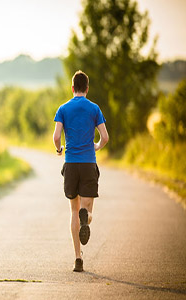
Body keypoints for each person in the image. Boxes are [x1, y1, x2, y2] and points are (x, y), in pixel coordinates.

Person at [53, 70, 109, 272]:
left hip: (70, 164)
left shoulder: (63, 108)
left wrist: (59, 149)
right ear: (87, 88)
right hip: (88, 164)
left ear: (72, 88)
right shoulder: (94, 108)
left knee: (73, 211)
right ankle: (88, 219)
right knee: (87, 211)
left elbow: (57, 136)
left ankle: (78, 258)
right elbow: (105, 137)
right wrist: (96, 146)